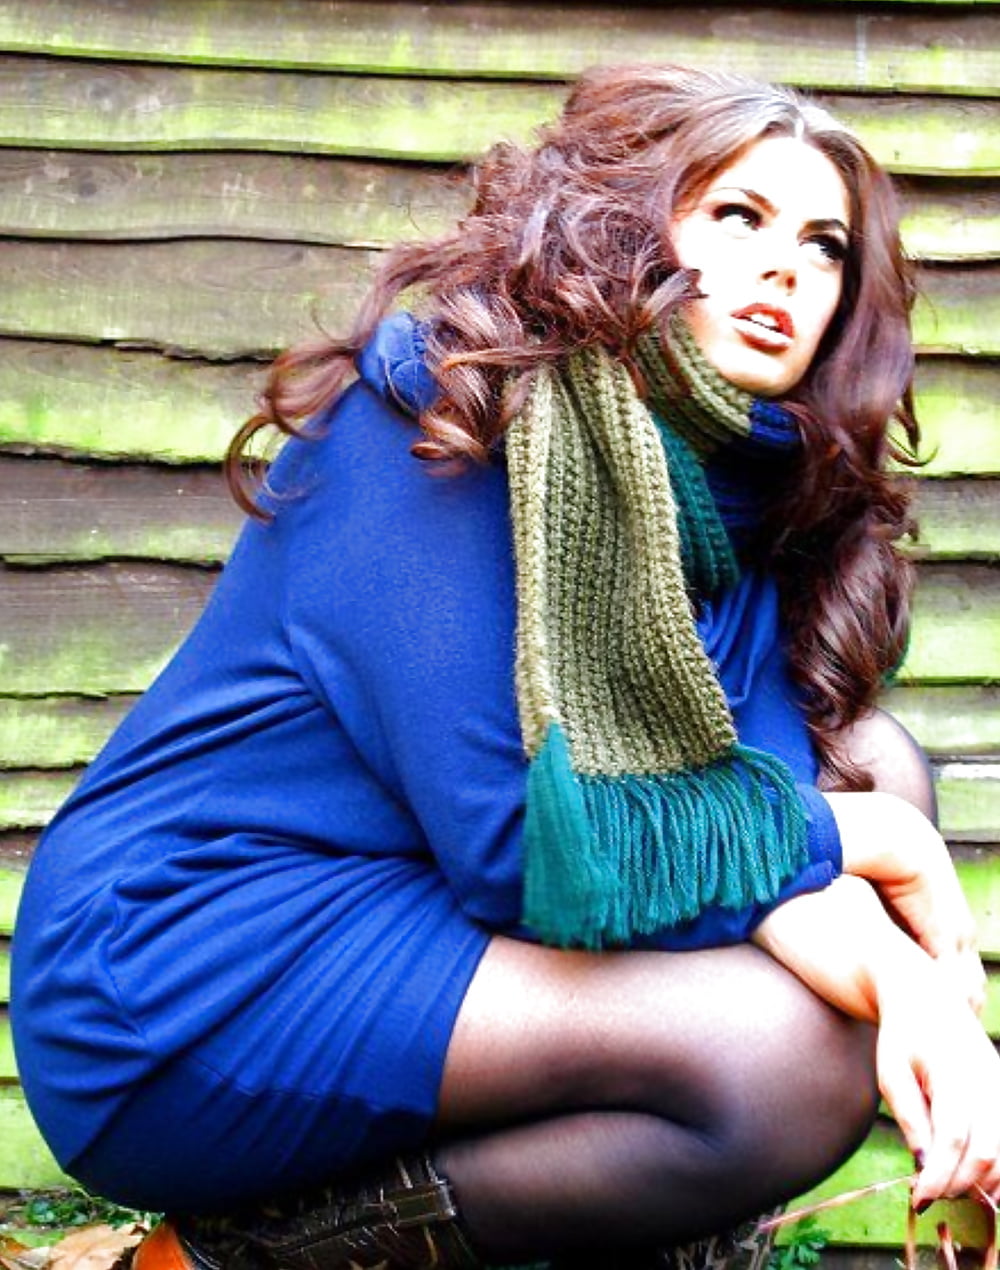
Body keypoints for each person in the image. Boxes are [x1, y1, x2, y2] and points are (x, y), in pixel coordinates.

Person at [11, 64, 1000, 1270]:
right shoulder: (443, 415)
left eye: (823, 245)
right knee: (779, 1057)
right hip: (192, 956)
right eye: (738, 216)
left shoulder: (744, 483)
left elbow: (752, 800)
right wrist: (878, 874)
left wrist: (902, 973)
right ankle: (218, 1260)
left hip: (416, 907)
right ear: (628, 226)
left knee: (872, 764)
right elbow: (521, 843)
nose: (785, 269)